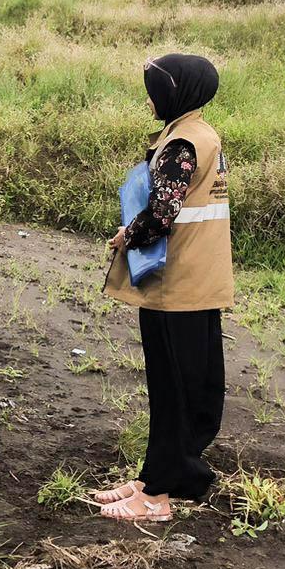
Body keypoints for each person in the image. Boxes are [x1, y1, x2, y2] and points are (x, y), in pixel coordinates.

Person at [98, 54, 234, 522]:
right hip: (192, 281)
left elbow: (160, 215)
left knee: (176, 389)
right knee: (175, 385)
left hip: (180, 284)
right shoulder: (198, 134)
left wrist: (124, 237)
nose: (150, 97)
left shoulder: (182, 145)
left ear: (174, 92)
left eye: (154, 88)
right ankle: (153, 475)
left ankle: (159, 496)